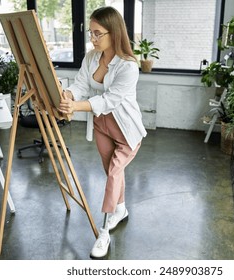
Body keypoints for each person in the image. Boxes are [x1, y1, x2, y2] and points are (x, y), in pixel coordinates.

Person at [58, 6, 147, 258]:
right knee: (111, 171)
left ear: (114, 33)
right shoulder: (91, 58)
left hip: (126, 129)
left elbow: (109, 100)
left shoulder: (128, 66)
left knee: (114, 173)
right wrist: (69, 95)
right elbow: (81, 84)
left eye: (98, 34)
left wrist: (76, 106)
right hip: (101, 126)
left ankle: (104, 231)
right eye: (91, 33)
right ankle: (121, 209)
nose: (93, 39)